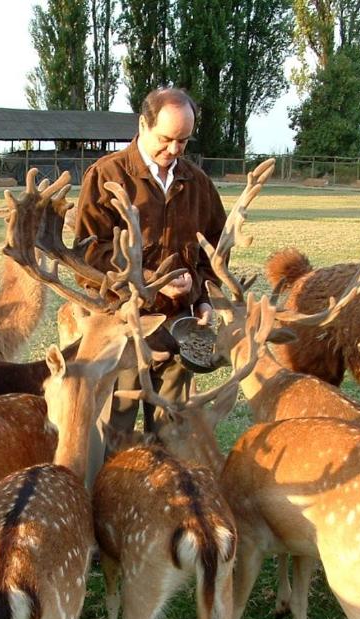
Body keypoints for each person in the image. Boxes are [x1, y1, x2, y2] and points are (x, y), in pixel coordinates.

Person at [74, 87, 227, 434]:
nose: (173, 150)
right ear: (143, 125)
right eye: (166, 138)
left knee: (171, 436)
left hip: (180, 330)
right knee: (117, 434)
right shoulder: (105, 177)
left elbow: (214, 252)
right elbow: (87, 255)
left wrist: (200, 294)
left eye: (183, 141)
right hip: (124, 329)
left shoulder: (198, 184)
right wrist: (143, 279)